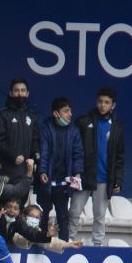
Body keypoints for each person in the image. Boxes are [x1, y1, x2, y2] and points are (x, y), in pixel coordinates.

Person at [70, 87, 126, 246]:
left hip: (104, 178)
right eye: (100, 101)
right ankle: (68, 240)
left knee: (99, 215)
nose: (103, 105)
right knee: (74, 211)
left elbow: (120, 156)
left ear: (113, 105)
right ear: (96, 102)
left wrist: (118, 180)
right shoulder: (83, 121)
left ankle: (97, 245)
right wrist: (75, 172)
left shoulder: (117, 127)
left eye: (107, 102)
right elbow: (74, 149)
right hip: (82, 176)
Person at [37, 97, 84, 241]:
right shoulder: (45, 129)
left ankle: (64, 246)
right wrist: (42, 171)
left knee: (63, 217)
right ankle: (42, 242)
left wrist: (77, 173)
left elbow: (78, 154)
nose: (70, 114)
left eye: (70, 111)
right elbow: (43, 153)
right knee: (43, 214)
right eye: (66, 111)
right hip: (47, 181)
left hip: (64, 183)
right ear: (56, 114)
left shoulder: (74, 131)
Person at [0, 78, 39, 183]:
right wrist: (13, 155)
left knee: (22, 199)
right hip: (5, 170)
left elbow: (35, 140)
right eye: (16, 90)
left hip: (26, 170)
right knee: (6, 199)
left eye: (23, 90)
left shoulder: (33, 115)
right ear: (10, 93)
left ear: (27, 93)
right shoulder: (2, 114)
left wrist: (34, 157)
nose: (20, 94)